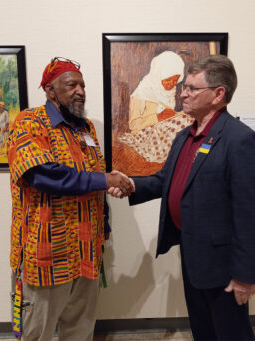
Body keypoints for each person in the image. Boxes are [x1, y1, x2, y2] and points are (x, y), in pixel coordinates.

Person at [113, 55, 255, 340]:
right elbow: (165, 180)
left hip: (223, 266)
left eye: (191, 88)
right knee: (203, 331)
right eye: (184, 86)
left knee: (231, 333)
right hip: (192, 255)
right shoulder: (184, 136)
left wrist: (245, 275)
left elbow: (248, 212)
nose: (182, 93)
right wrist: (130, 184)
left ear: (218, 94)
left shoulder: (239, 139)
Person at [7, 57, 132, 341]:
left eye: (83, 85)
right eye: (71, 84)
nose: (80, 91)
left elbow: (95, 179)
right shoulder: (29, 122)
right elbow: (44, 175)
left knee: (80, 330)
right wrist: (105, 180)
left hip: (86, 249)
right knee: (36, 331)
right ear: (51, 91)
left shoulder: (86, 128)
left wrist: (105, 226)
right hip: (47, 253)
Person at [119, 51, 194, 163]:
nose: (172, 84)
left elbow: (169, 116)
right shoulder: (142, 93)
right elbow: (133, 125)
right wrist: (157, 117)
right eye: (168, 79)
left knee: (190, 117)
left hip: (165, 128)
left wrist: (174, 115)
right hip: (148, 134)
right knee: (181, 124)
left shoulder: (169, 91)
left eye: (175, 80)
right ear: (158, 74)